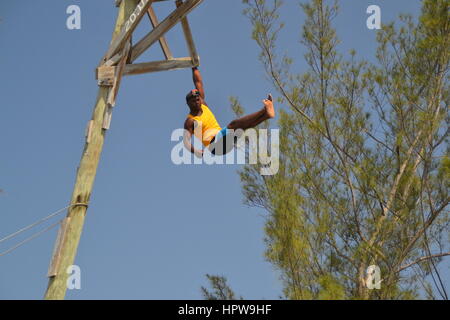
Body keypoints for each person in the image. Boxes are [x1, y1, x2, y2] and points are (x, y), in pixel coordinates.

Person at [183, 67, 275, 157]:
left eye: (198, 99)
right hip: (214, 146)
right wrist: (195, 151)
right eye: (193, 101)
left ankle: (266, 115)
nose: (197, 102)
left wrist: (194, 67)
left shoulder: (202, 104)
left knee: (243, 126)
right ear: (188, 103)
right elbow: (186, 141)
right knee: (233, 124)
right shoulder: (190, 121)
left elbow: (198, 82)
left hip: (223, 139)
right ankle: (264, 110)